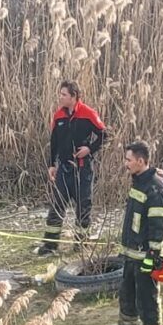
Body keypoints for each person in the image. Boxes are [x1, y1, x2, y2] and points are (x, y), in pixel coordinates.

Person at [111, 140, 163, 325]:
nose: (125, 164)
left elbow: (159, 225)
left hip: (146, 255)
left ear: (141, 161)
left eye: (128, 160)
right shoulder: (139, 182)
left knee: (147, 296)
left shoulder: (154, 187)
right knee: (127, 290)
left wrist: (153, 255)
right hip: (131, 252)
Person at [38, 80, 106, 255]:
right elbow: (54, 142)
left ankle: (80, 245)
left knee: (83, 207)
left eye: (64, 95)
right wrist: (52, 164)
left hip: (83, 169)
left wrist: (90, 149)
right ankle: (50, 245)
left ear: (74, 96)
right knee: (57, 206)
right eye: (60, 94)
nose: (60, 97)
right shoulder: (58, 115)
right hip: (63, 169)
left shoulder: (88, 113)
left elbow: (105, 134)